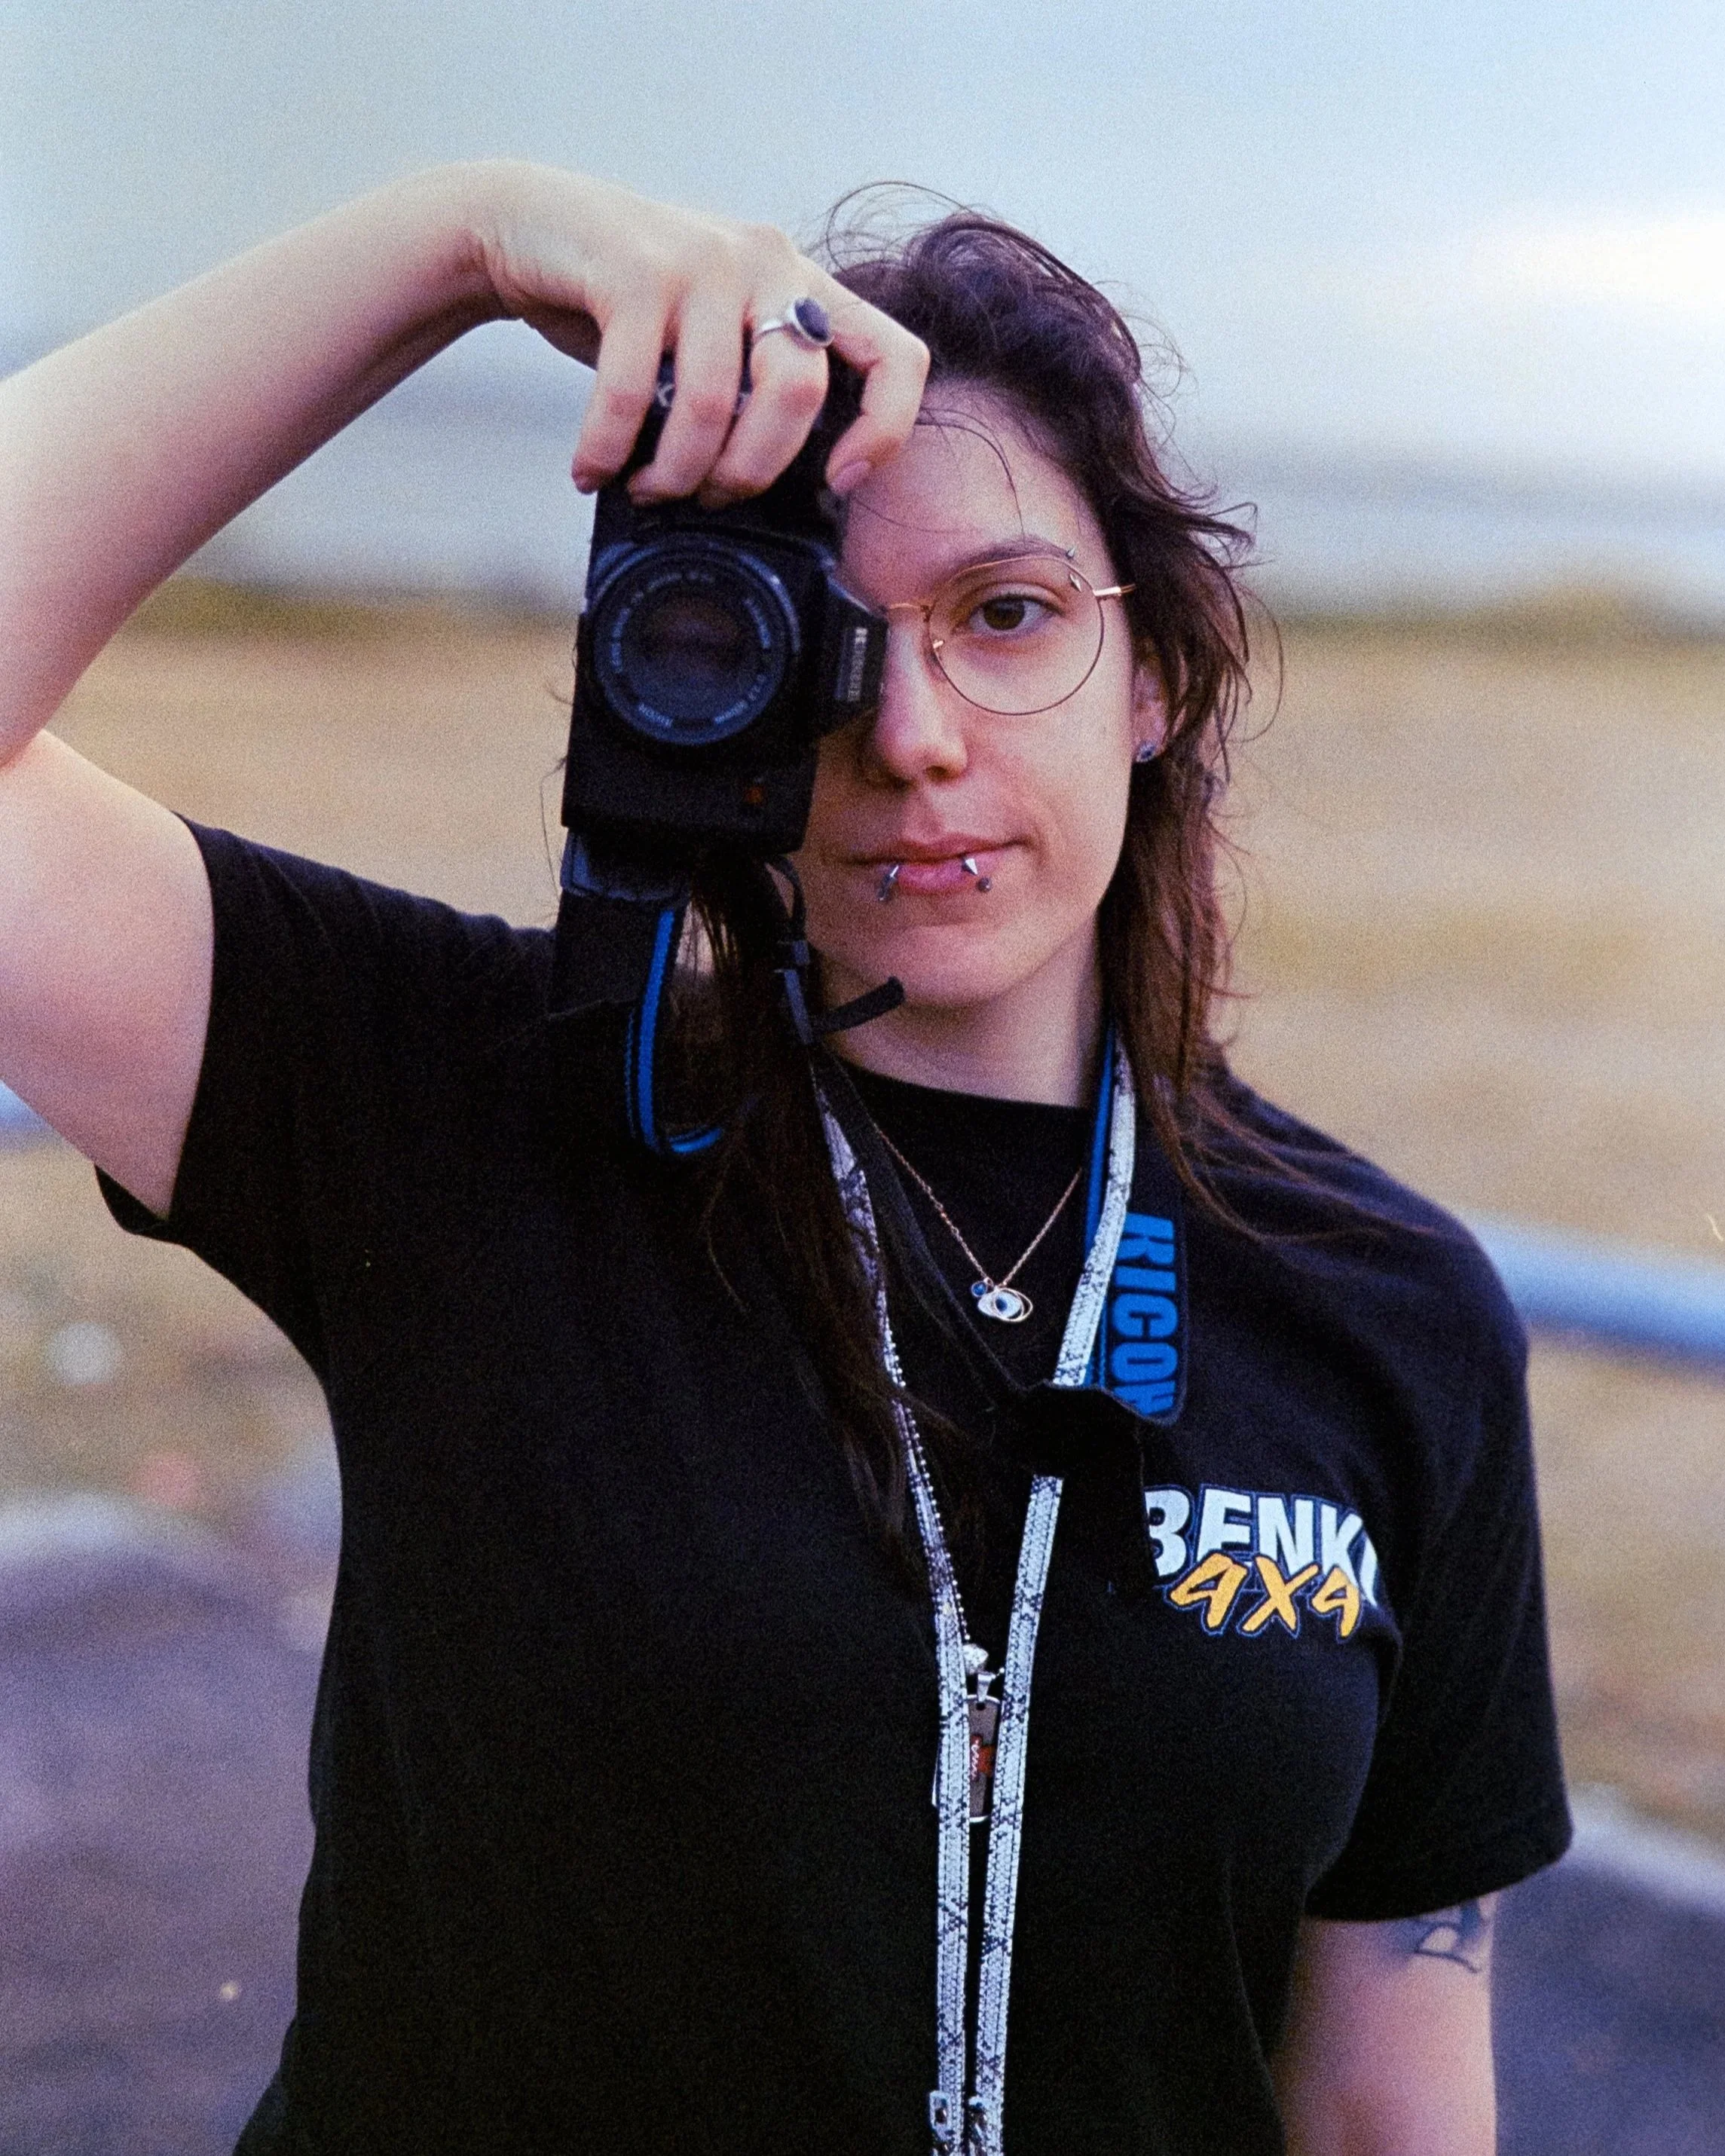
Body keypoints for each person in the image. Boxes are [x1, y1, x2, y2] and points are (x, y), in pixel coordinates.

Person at [0, 161, 1570, 2155]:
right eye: (822, 635)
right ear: (697, 687)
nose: (911, 731)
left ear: (1157, 669)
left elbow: (1384, 2106)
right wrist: (456, 244)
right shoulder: (467, 1108)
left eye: (1007, 615)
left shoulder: (1388, 1310)